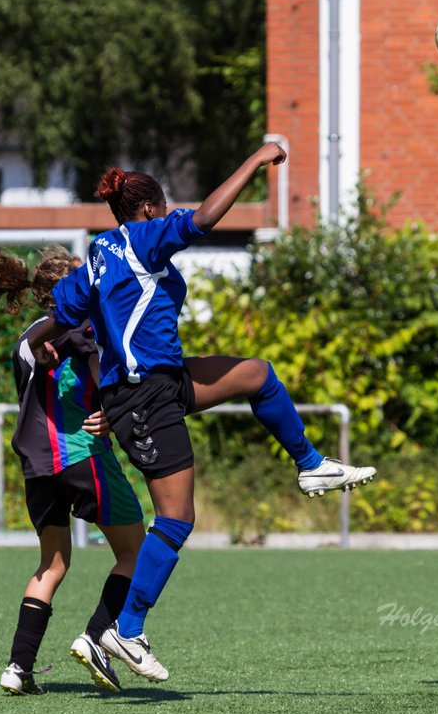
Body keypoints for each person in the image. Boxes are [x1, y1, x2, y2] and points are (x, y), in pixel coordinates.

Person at [26, 142, 377, 681]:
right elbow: (208, 217)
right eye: (164, 210)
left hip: (164, 379)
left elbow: (64, 309)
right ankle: (127, 629)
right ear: (147, 210)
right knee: (176, 518)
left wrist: (40, 342)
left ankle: (310, 465)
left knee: (256, 373)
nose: (168, 217)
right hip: (143, 396)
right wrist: (257, 159)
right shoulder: (142, 238)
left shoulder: (97, 254)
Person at [0, 247, 147, 695]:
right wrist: (108, 409)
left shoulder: (24, 340)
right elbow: (102, 376)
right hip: (81, 455)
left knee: (52, 563)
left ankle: (17, 668)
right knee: (136, 552)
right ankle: (98, 636)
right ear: (72, 290)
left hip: (36, 466)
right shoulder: (84, 328)